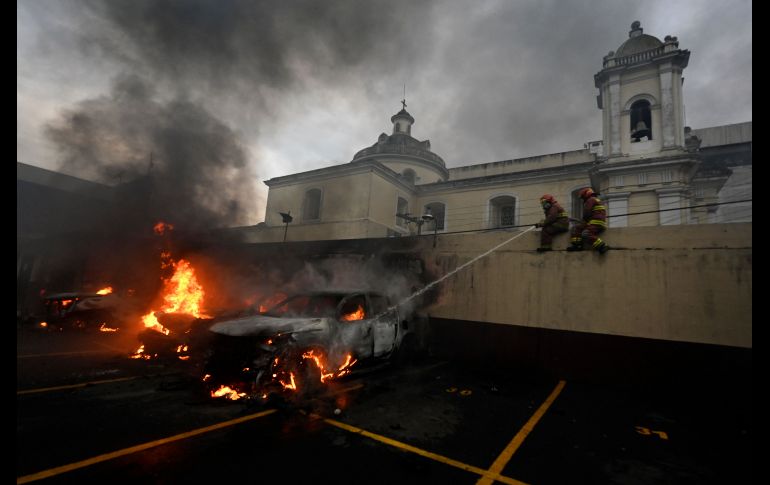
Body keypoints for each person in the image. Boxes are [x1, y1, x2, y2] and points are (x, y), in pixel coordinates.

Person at [567, 187, 609, 254]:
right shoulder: (595, 199)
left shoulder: (590, 200)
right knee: (576, 228)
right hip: (596, 222)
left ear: (586, 194)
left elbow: (587, 212)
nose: (583, 199)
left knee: (586, 234)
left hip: (595, 223)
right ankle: (577, 245)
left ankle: (602, 246)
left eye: (583, 197)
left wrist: (583, 221)